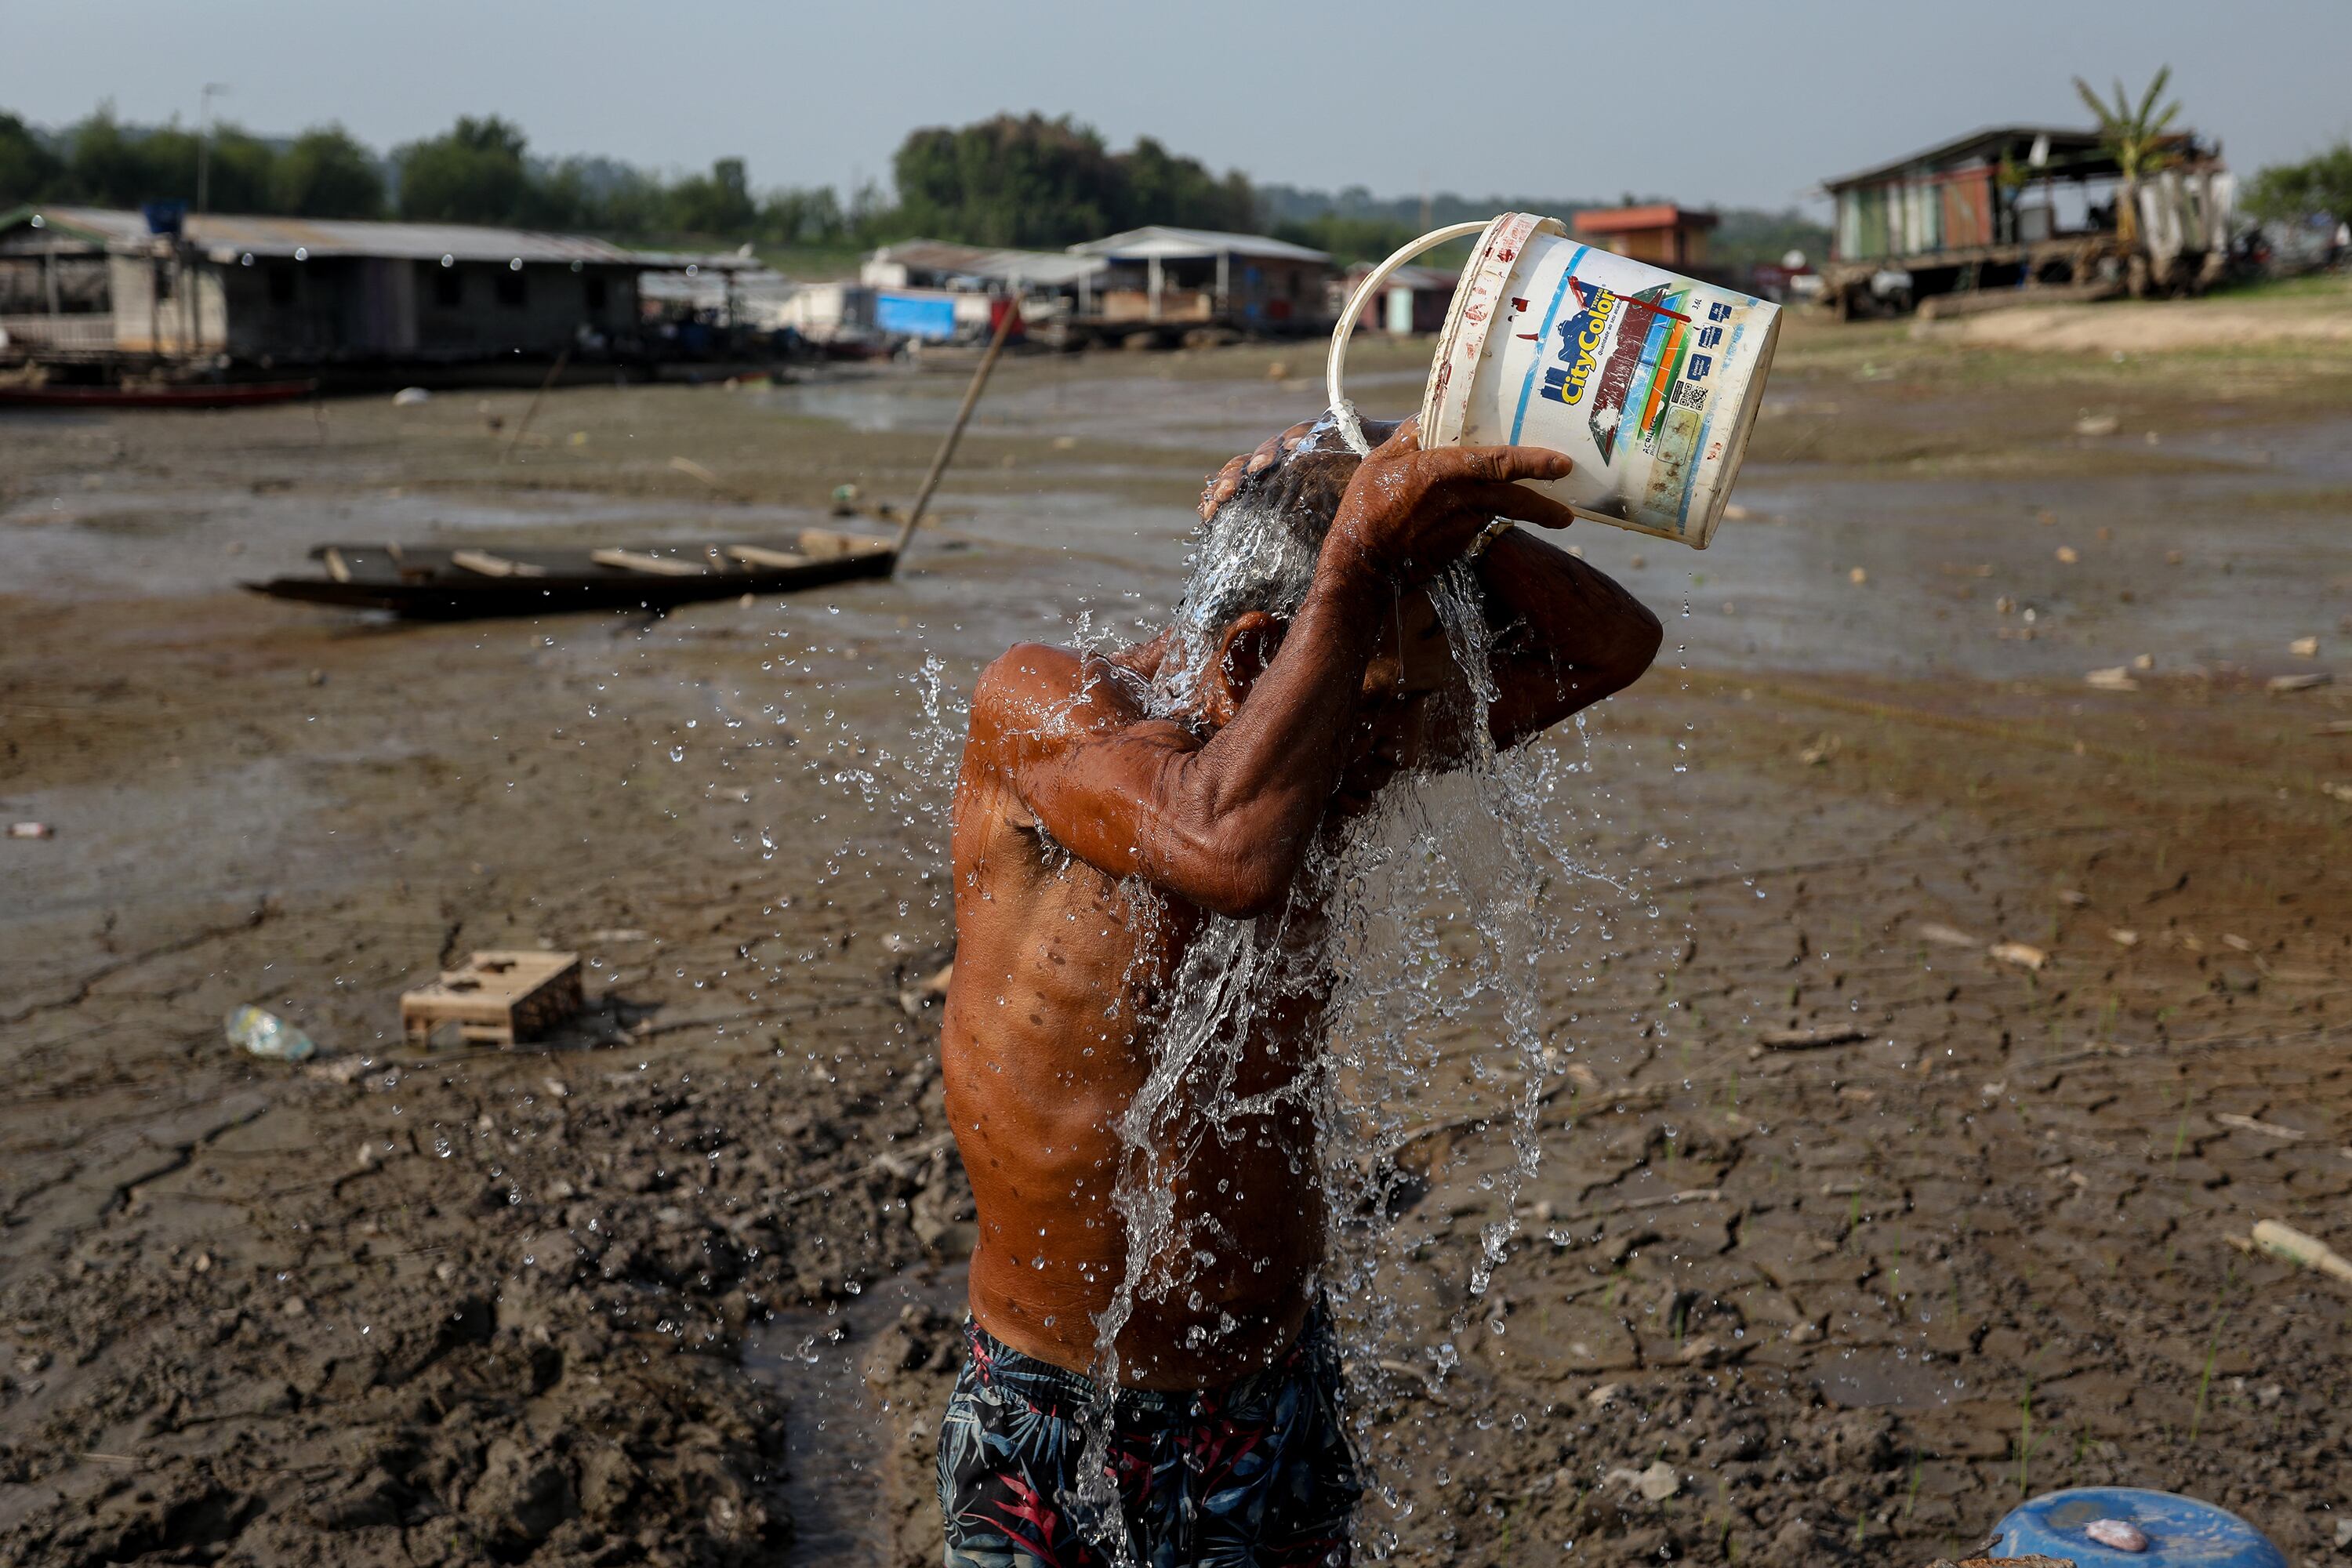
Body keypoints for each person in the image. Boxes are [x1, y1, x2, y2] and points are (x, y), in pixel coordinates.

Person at [936, 415, 1663, 1566]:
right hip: (1062, 1395)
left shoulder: (1345, 737)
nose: (1404, 741)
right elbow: (1223, 848)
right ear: (1254, 658)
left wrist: (1398, 481)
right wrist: (1363, 558)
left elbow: (1607, 647)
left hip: (1271, 1374)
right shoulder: (1049, 709)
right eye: (1380, 702)